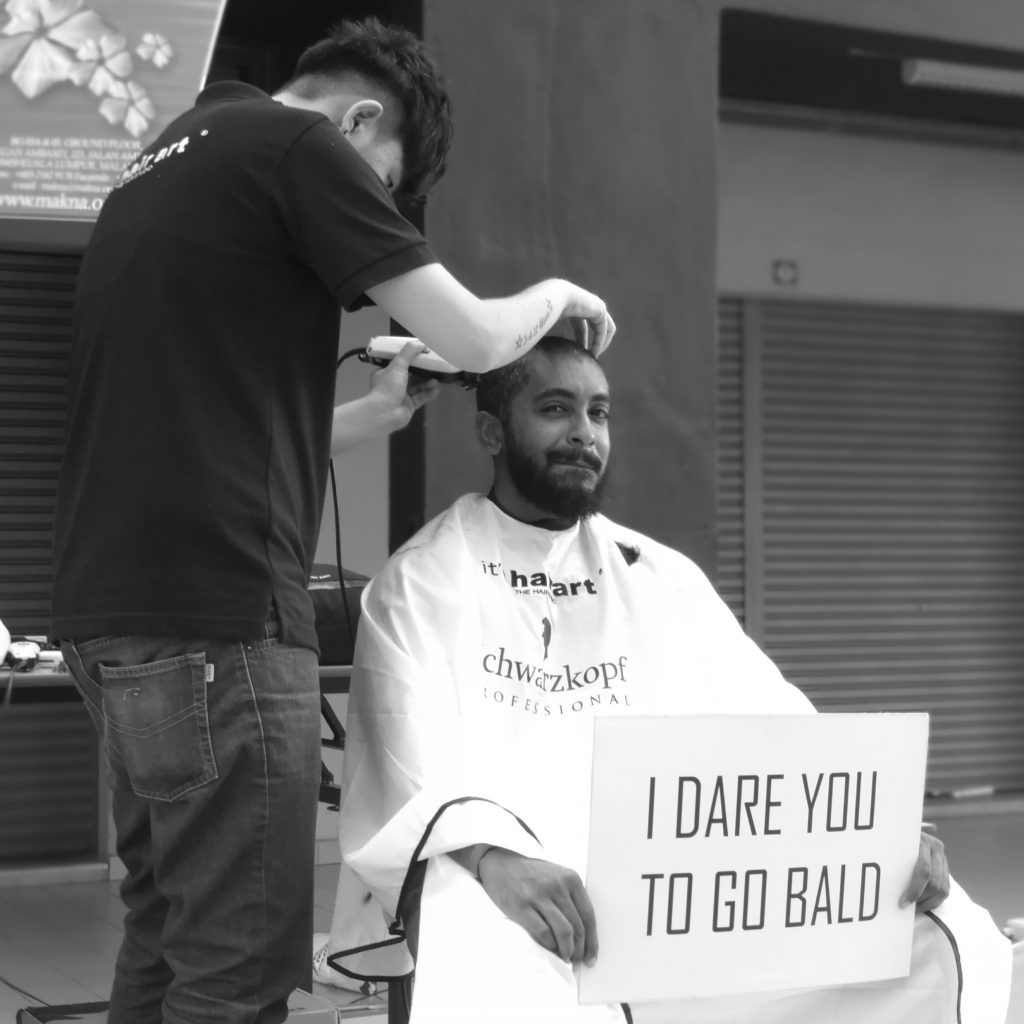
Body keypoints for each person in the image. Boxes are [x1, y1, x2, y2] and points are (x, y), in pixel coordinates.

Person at [49, 17, 616, 1024]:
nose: (368, 218)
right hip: (217, 625)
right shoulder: (304, 145)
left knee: (164, 932)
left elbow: (216, 420)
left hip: (115, 621)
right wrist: (558, 294)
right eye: (382, 190)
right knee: (238, 970)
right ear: (359, 121)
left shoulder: (160, 159)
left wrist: (375, 414)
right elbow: (478, 333)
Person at [325, 335, 1012, 1023]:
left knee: (940, 926)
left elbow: (775, 718)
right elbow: (403, 751)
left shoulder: (655, 573)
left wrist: (883, 826)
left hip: (673, 871)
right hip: (514, 868)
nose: (583, 434)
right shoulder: (424, 580)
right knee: (501, 959)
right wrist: (491, 856)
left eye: (599, 413)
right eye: (557, 409)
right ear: (491, 430)